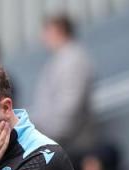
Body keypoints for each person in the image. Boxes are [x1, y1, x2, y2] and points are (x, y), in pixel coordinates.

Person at [31, 14, 96, 156]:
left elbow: (70, 107)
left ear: (59, 31)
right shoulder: (61, 59)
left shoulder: (73, 60)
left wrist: (45, 138)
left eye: (47, 31)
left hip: (71, 145)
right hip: (58, 142)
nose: (43, 38)